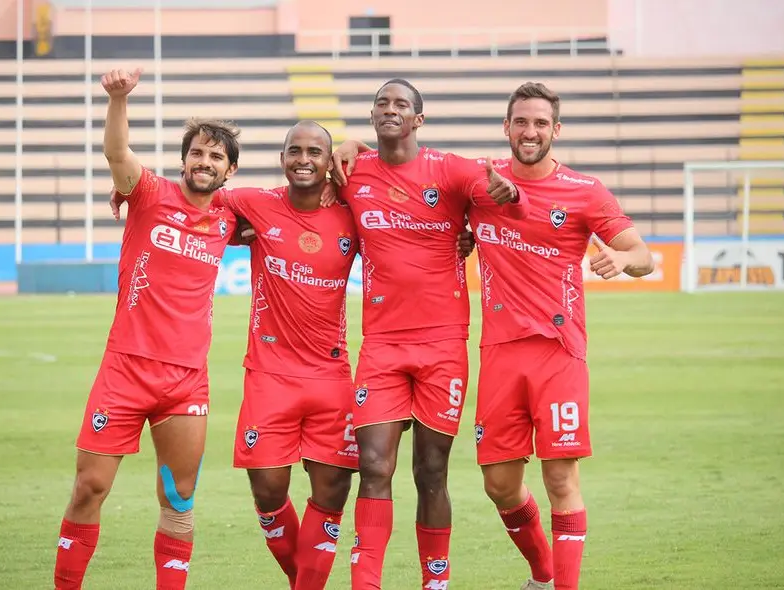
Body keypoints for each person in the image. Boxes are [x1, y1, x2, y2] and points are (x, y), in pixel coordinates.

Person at [327, 78, 527, 590]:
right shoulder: (351, 170)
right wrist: (341, 145)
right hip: (381, 346)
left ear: (419, 119)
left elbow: (499, 192)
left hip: (442, 346)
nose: (389, 109)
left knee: (430, 470)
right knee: (373, 465)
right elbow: (306, 183)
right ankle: (365, 583)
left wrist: (506, 192)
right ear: (372, 117)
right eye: (381, 102)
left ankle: (435, 581)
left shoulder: (450, 170)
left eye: (401, 104)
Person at [53, 67, 239, 590]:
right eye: (197, 153)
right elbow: (117, 154)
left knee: (179, 500)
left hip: (186, 382)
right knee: (90, 487)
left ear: (228, 173)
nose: (205, 162)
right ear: (184, 160)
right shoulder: (149, 193)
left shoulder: (230, 219)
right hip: (125, 370)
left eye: (216, 157)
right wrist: (118, 100)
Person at [467, 81, 654, 590]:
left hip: (559, 353)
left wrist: (622, 257)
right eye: (521, 122)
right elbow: (414, 170)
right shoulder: (478, 180)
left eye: (541, 124)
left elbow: (643, 255)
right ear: (506, 127)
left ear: (556, 130)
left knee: (560, 478)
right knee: (499, 485)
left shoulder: (584, 191)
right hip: (500, 353)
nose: (531, 132)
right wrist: (355, 147)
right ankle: (543, 574)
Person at [217, 121, 360, 590]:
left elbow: (402, 193)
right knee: (268, 490)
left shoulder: (350, 210)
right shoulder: (254, 204)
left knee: (333, 489)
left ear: (328, 162)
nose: (304, 159)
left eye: (315, 152)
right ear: (282, 159)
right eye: (294, 151)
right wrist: (134, 197)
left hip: (330, 375)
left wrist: (356, 145)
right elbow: (196, 196)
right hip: (269, 375)